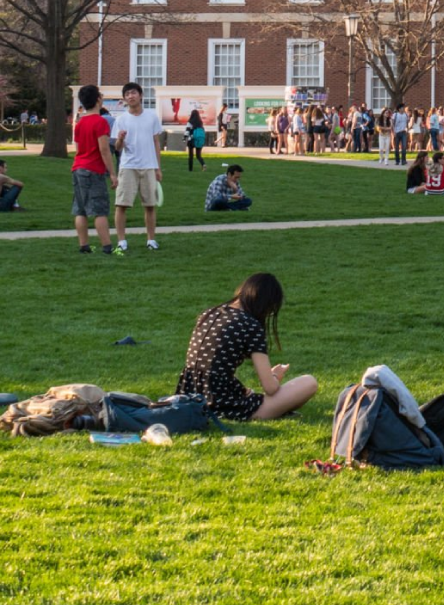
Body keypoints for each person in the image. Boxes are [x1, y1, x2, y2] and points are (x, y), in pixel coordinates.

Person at [175, 273, 317, 421]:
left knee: (252, 393)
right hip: (223, 405)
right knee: (309, 382)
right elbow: (270, 388)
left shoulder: (209, 313)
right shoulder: (250, 324)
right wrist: (275, 375)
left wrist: (241, 390)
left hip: (190, 397)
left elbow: (214, 367)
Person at [112, 82, 163, 252]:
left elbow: (156, 142)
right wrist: (120, 138)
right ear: (124, 99)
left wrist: (158, 168)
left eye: (133, 93)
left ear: (140, 95)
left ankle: (151, 239)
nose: (130, 96)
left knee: (150, 205)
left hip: (148, 166)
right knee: (121, 204)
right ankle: (121, 241)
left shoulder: (152, 117)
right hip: (128, 166)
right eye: (127, 94)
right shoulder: (121, 120)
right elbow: (117, 148)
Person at [70, 84, 119, 254]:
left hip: (78, 167)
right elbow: (104, 150)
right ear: (98, 100)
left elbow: (78, 148)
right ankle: (107, 247)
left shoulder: (80, 123)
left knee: (80, 209)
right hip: (93, 170)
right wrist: (112, 173)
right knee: (100, 210)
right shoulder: (100, 122)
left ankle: (84, 245)